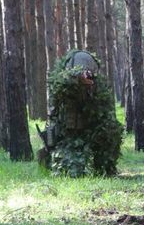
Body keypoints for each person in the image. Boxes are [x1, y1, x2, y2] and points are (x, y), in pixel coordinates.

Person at [38, 49, 122, 177]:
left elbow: (105, 115)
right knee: (72, 171)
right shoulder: (62, 84)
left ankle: (104, 169)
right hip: (68, 138)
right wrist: (77, 78)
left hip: (89, 132)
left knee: (111, 133)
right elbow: (64, 84)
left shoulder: (97, 87)